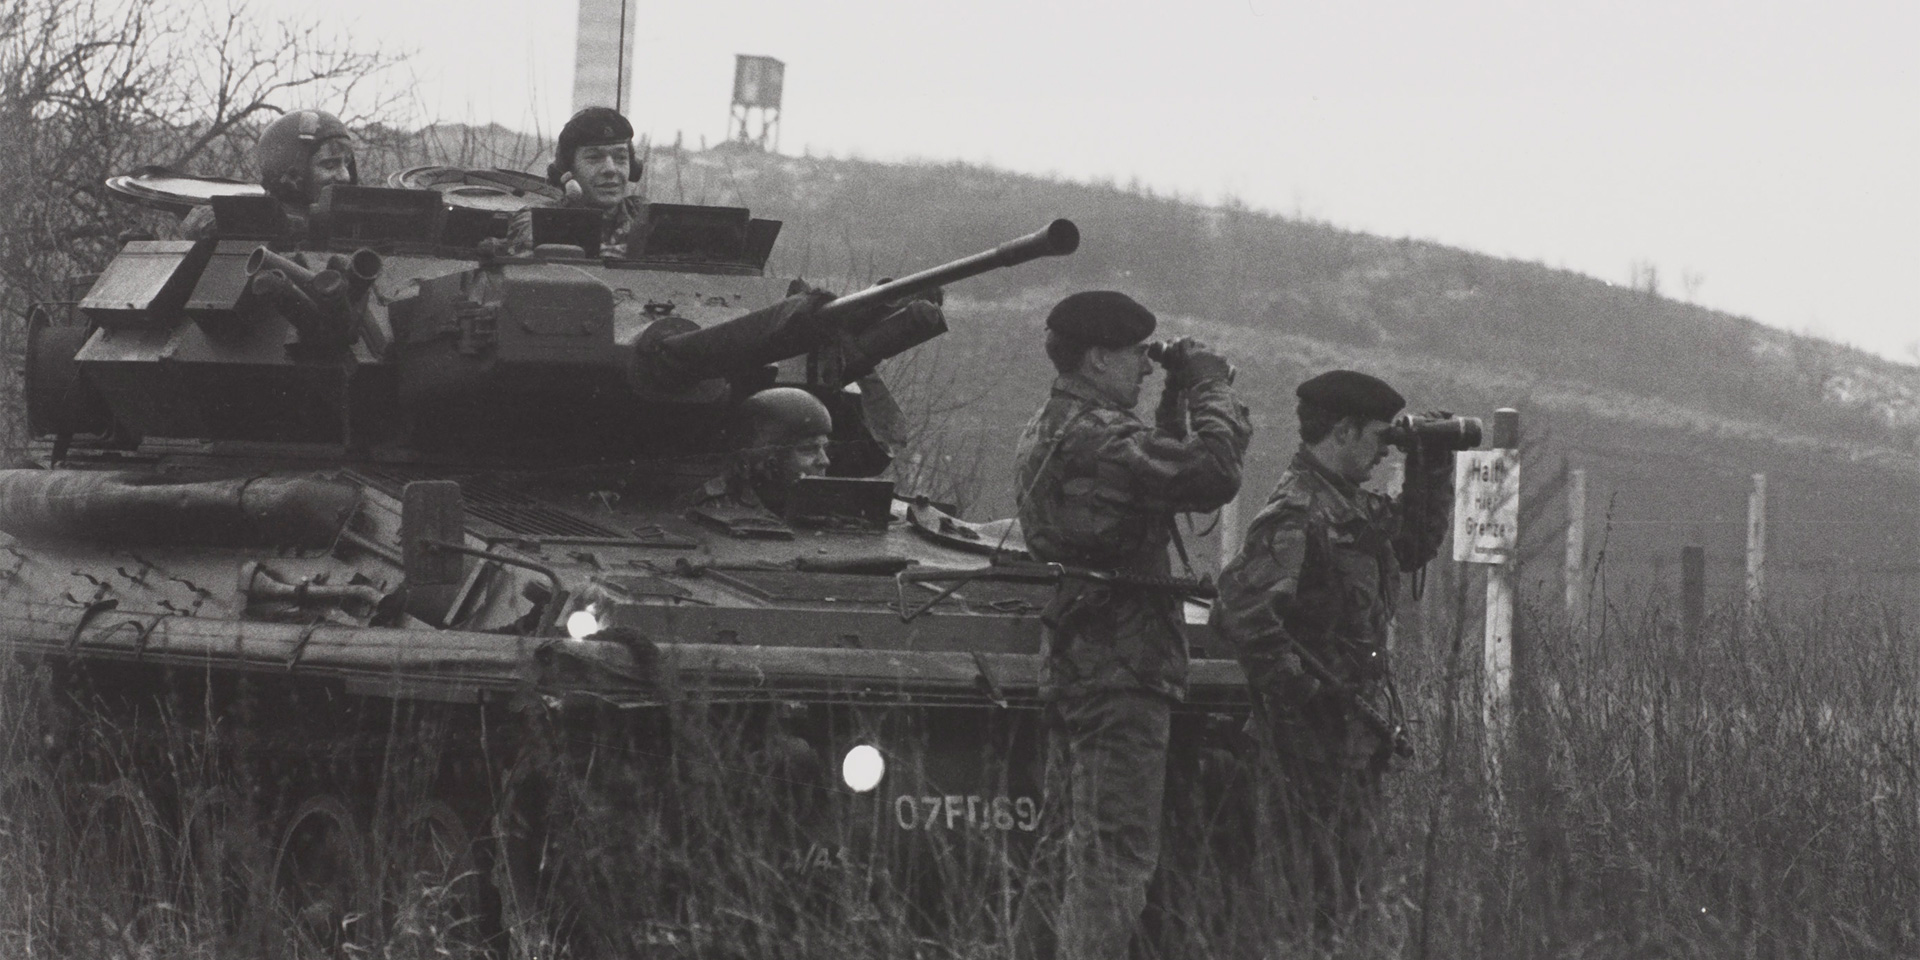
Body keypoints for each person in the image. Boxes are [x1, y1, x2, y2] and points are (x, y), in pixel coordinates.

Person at [1012, 290, 1250, 960]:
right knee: (1115, 861)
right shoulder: (1101, 438)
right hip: (1124, 670)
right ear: (1097, 357)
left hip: (1077, 663)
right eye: (1137, 356)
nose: (1146, 369)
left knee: (1063, 851)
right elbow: (1213, 473)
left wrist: (1172, 400)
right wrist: (1208, 388)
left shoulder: (1051, 427)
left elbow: (1152, 473)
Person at [1210, 369, 1455, 940]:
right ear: (1343, 431)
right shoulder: (1298, 513)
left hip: (1349, 742)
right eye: (1377, 436)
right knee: (1304, 901)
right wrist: (1304, 694)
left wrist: (1430, 463)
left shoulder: (1348, 509)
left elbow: (1414, 542)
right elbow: (1241, 614)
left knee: (1347, 899)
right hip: (1305, 748)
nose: (1380, 452)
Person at [180, 109, 358, 239]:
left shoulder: (353, 221)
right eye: (329, 165)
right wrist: (290, 226)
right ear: (292, 173)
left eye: (347, 164)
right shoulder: (260, 212)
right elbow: (199, 222)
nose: (345, 177)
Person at [507, 106, 647, 255]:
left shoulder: (646, 216)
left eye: (620, 158)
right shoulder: (540, 218)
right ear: (568, 169)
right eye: (594, 158)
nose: (611, 169)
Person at [689, 387, 833, 516]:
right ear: (766, 457)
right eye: (807, 449)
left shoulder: (824, 506)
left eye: (825, 448)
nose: (825, 461)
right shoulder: (716, 507)